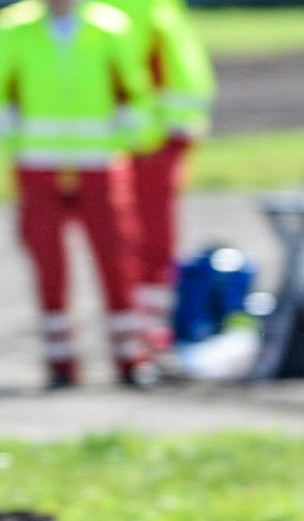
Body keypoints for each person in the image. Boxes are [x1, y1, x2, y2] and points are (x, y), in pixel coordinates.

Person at [0, 0, 161, 388]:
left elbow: (134, 90)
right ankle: (60, 361)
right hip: (39, 166)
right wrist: (16, 142)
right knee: (48, 262)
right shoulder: (12, 27)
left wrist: (125, 141)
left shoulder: (110, 26)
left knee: (117, 257)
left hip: (98, 165)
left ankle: (131, 357)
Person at [107, 0, 216, 351]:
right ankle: (143, 329)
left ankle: (149, 328)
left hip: (151, 140)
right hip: (134, 143)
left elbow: (184, 72)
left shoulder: (154, 8)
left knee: (150, 239)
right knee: (135, 239)